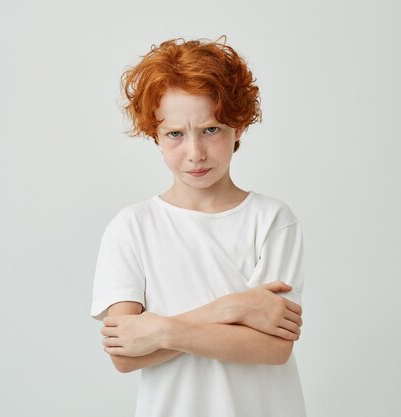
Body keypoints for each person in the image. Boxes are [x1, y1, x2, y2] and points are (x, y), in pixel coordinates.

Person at [91, 37, 306, 417]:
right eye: (175, 134)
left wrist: (160, 330)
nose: (195, 152)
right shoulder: (132, 228)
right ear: (154, 136)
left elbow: (273, 348)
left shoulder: (272, 219)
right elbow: (124, 354)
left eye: (211, 130)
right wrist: (235, 306)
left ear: (238, 127)